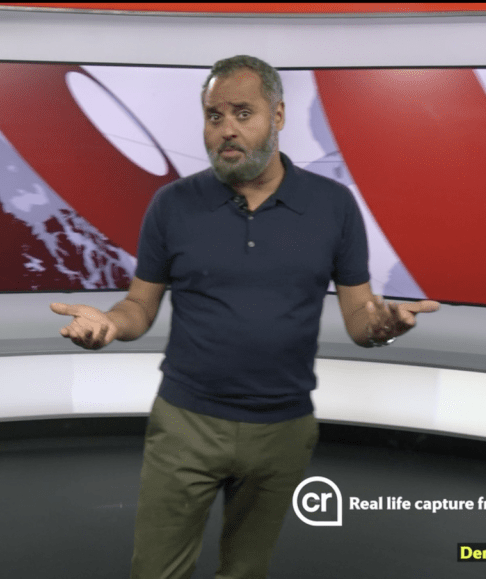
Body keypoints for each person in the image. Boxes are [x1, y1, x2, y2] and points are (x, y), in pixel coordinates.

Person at [50, 55, 440, 579]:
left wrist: (382, 327)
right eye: (214, 116)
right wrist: (111, 325)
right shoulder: (172, 205)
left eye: (242, 113)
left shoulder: (333, 206)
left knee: (246, 572)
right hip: (186, 423)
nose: (226, 130)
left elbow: (359, 315)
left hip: (283, 429)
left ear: (277, 116)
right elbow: (140, 305)